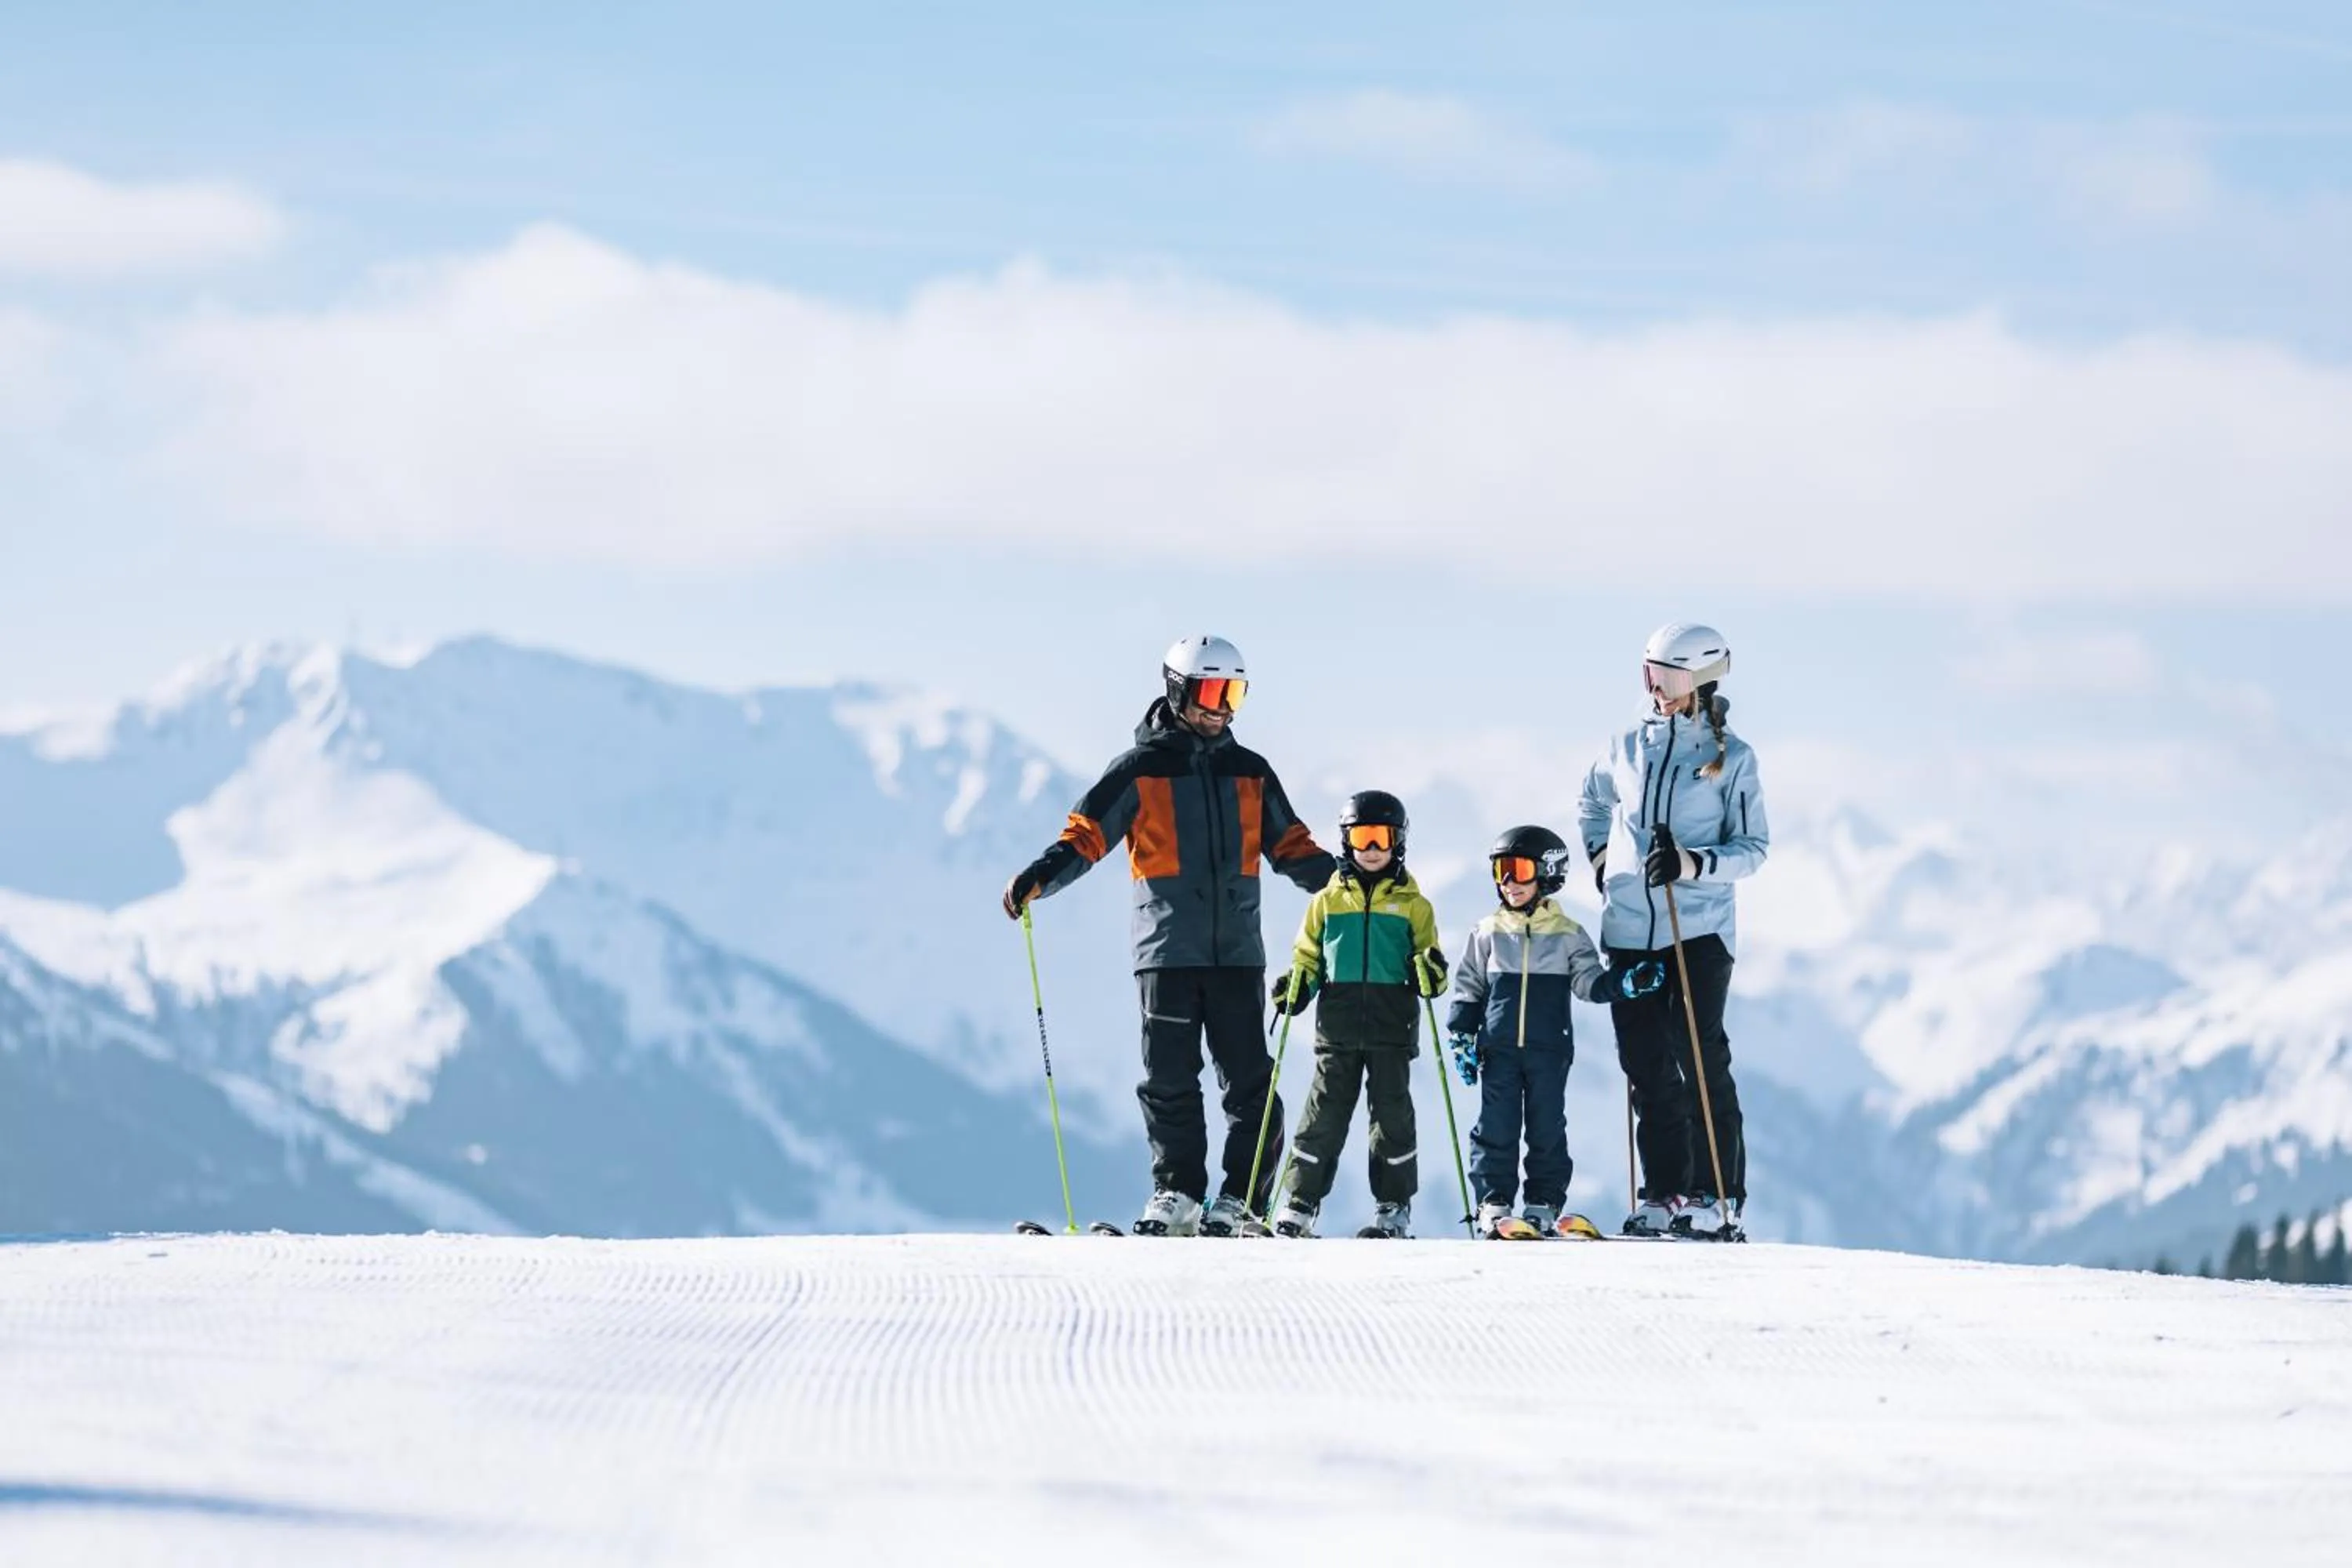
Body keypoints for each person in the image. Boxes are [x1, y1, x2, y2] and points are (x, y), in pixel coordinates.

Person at [1002, 635, 1338, 1236]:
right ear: (1178, 690)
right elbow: (1086, 837)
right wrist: (1040, 878)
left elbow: (1291, 846)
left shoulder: (1250, 772)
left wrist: (1346, 887)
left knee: (1250, 1081)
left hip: (1237, 953)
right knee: (1168, 1079)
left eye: (1235, 692)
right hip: (1166, 951)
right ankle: (1178, 1191)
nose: (1224, 707)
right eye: (1212, 691)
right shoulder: (1141, 769)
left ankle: (1242, 1199)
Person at [1577, 622, 1770, 1238]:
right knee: (1647, 1063)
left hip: (1700, 929)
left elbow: (1755, 848)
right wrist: (1604, 864)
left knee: (1698, 1055)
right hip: (1631, 926)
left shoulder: (1731, 759)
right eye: (1649, 674)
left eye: (1668, 676)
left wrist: (1693, 864)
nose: (1655, 688)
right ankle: (1664, 1192)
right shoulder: (1627, 746)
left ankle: (1718, 1195)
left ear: (1702, 680)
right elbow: (1592, 800)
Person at [1445, 826, 1664, 1240]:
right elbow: (1469, 986)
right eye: (1500, 871)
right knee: (1496, 1126)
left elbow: (1589, 983)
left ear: (1547, 874)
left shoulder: (1567, 935)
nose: (1508, 882)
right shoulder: (1488, 932)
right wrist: (1461, 1034)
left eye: (1519, 870)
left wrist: (1625, 984)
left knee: (1547, 1128)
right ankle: (1494, 1203)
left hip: (1549, 1050)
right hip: (1499, 1050)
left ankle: (1542, 1203)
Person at [1265, 791, 1446, 1240]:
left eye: (1380, 838)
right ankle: (1300, 1203)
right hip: (1338, 1030)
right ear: (1346, 842)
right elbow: (1308, 958)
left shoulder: (1414, 906)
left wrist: (1429, 972)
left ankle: (1393, 1206)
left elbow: (1432, 968)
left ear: (1398, 841)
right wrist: (1297, 989)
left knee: (1392, 1120)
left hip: (1392, 1029)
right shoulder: (1327, 903)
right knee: (1322, 1116)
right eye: (1361, 837)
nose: (1371, 849)